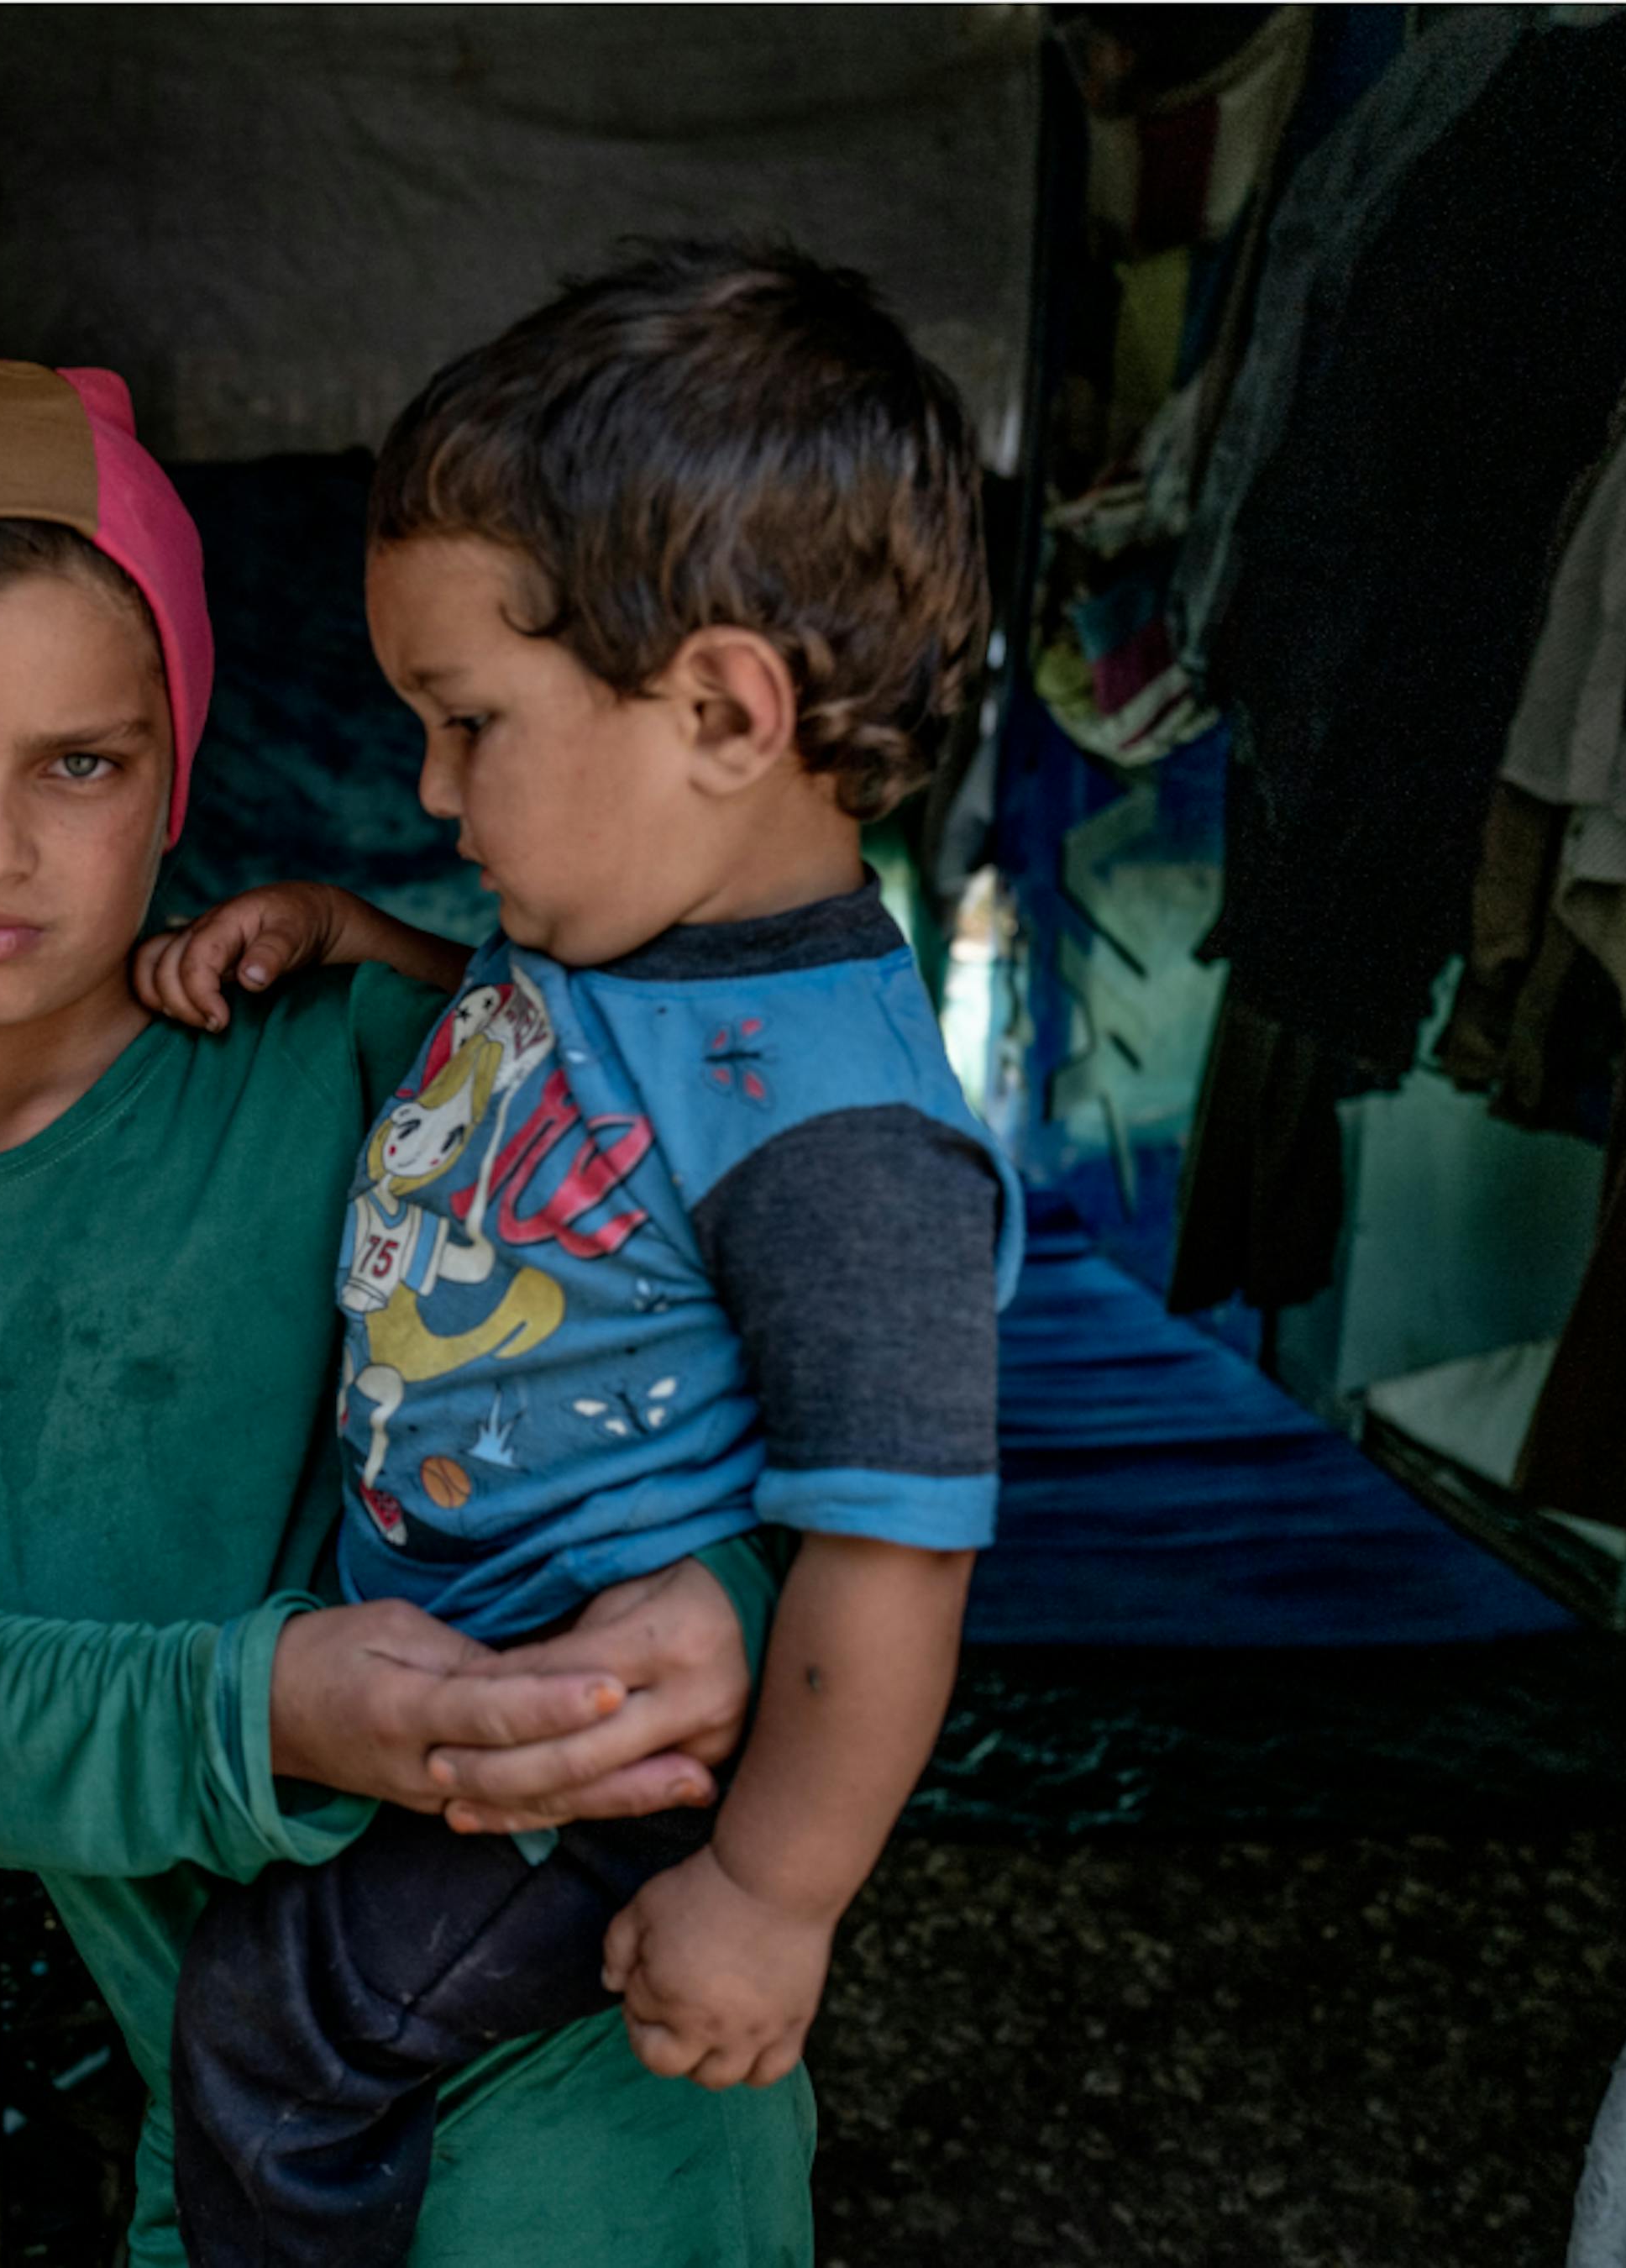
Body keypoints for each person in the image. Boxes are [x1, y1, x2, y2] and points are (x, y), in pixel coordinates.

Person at [0, 348, 821, 2266]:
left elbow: (796, 1392)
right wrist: (257, 1708)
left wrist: (735, 1604)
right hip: (224, 2140)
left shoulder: (364, 1060)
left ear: (175, 766)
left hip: (591, 2100)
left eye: (80, 764)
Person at [129, 244, 1021, 2266]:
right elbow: (592, 1109)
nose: (431, 789)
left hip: (591, 1773)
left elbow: (896, 1560)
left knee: (272, 2025)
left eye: (471, 723)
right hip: (472, 1666)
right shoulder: (618, 954)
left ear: (721, 708)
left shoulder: (848, 1139)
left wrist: (771, 1898)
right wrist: (380, 950)